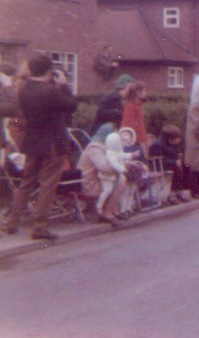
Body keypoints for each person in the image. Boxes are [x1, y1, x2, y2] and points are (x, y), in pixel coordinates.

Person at [4, 54, 77, 240]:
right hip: (53, 143)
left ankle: (12, 222)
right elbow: (71, 106)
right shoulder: (52, 90)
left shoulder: (23, 90)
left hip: (32, 141)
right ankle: (40, 227)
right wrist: (64, 86)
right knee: (48, 185)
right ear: (49, 71)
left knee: (26, 183)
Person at [77, 122, 125, 229]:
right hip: (88, 182)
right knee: (120, 179)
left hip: (98, 177)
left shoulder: (104, 148)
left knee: (119, 177)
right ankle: (107, 213)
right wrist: (121, 169)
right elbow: (104, 167)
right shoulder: (94, 148)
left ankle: (111, 210)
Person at [149, 124, 190, 204]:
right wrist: (174, 162)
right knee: (177, 169)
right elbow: (156, 160)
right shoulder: (157, 145)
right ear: (169, 139)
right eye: (177, 138)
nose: (179, 140)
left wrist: (179, 160)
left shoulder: (173, 144)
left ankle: (181, 190)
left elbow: (176, 155)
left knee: (187, 166)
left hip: (171, 164)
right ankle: (172, 194)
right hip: (159, 166)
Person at [121, 82, 149, 158]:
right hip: (133, 144)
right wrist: (141, 142)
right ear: (137, 92)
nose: (146, 93)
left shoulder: (138, 105)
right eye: (144, 91)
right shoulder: (130, 106)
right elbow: (129, 126)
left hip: (139, 141)